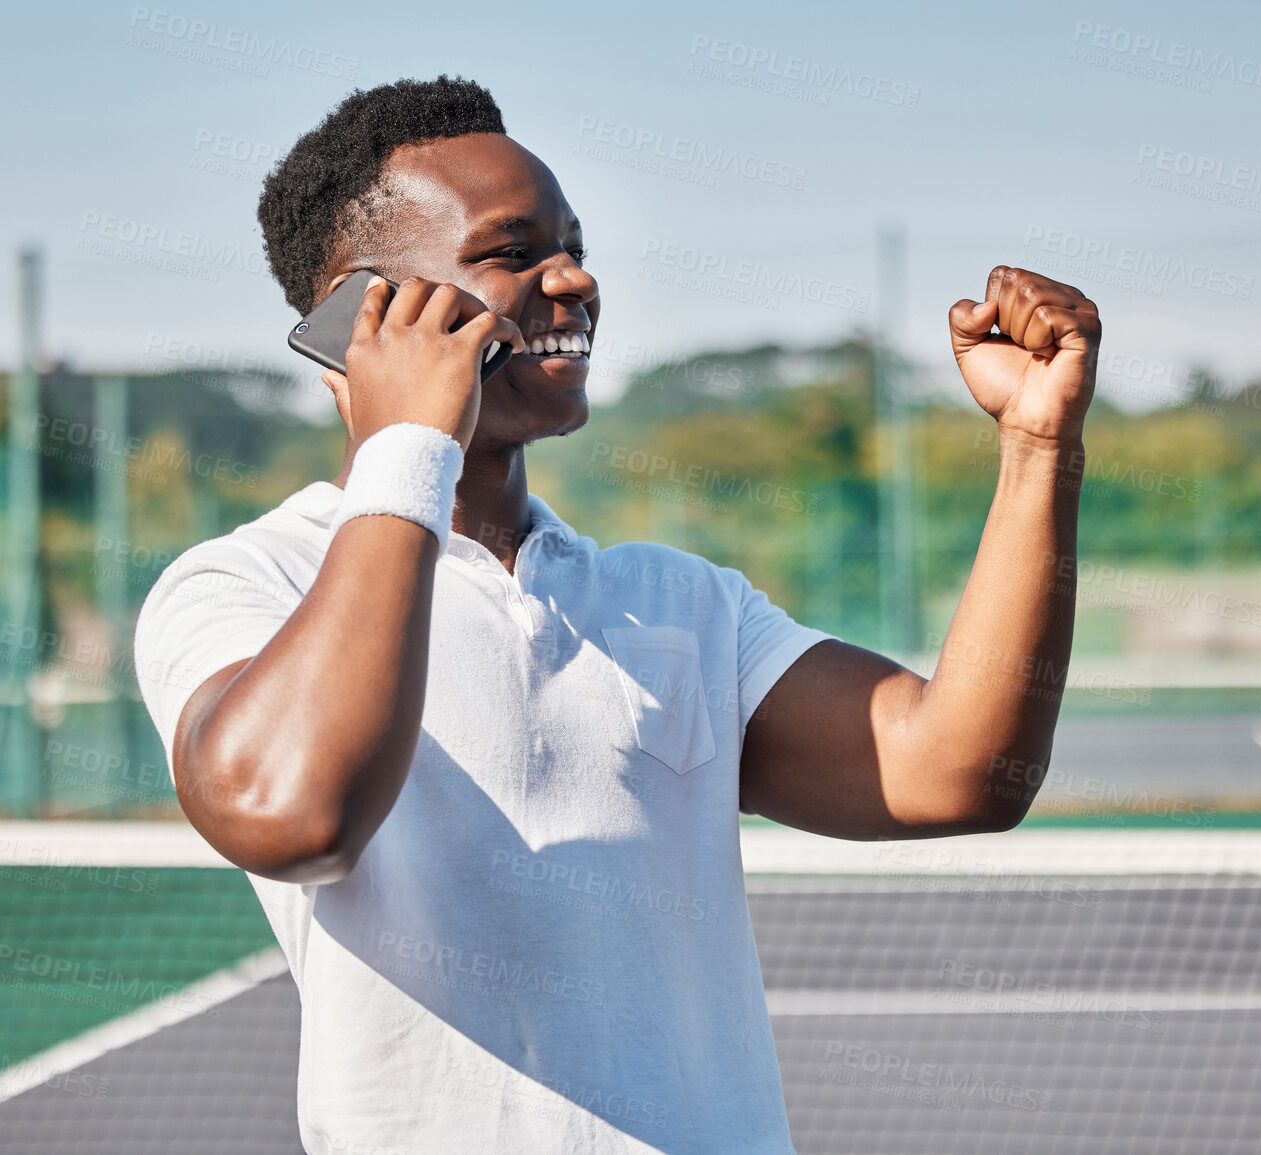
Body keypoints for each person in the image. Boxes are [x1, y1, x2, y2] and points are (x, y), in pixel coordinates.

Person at [134, 74, 1100, 1154]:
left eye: (576, 243)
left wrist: (1039, 447)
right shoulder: (243, 587)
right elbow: (293, 816)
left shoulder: (682, 603)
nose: (578, 278)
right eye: (513, 252)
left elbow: (963, 772)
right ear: (371, 314)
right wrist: (409, 447)